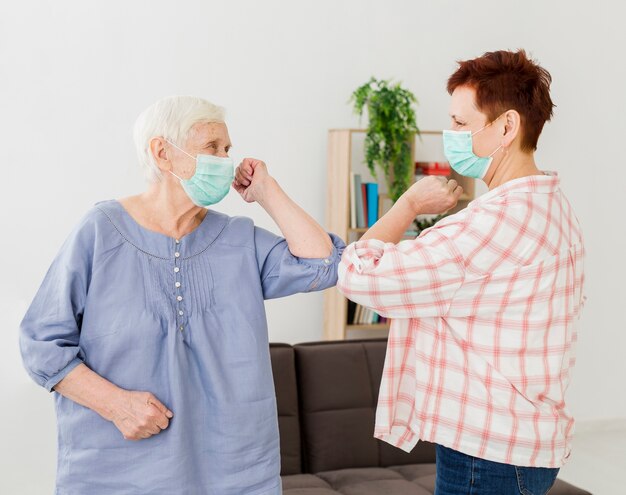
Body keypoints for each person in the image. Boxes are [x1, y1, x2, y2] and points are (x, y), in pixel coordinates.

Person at [20, 95, 345, 494]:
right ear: (163, 153)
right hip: (116, 470)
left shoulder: (239, 238)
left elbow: (323, 264)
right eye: (212, 148)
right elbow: (41, 344)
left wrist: (267, 191)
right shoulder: (100, 230)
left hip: (235, 470)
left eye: (228, 149)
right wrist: (116, 405)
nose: (226, 161)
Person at [337, 50, 585, 494]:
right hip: (526, 443)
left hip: (487, 453)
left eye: (460, 123)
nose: (449, 135)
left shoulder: (490, 225)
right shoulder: (554, 207)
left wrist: (409, 204)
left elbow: (358, 274)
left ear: (506, 127)